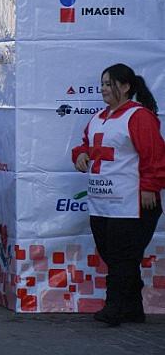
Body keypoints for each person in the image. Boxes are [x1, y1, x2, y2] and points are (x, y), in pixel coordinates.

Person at [72, 63, 165, 326]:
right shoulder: (99, 117)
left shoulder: (139, 117)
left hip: (131, 203)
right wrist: (80, 154)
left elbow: (155, 155)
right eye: (101, 83)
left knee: (123, 256)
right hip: (102, 204)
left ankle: (114, 308)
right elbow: (87, 145)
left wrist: (150, 187)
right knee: (115, 255)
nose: (102, 89)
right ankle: (133, 308)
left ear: (125, 87)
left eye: (108, 83)